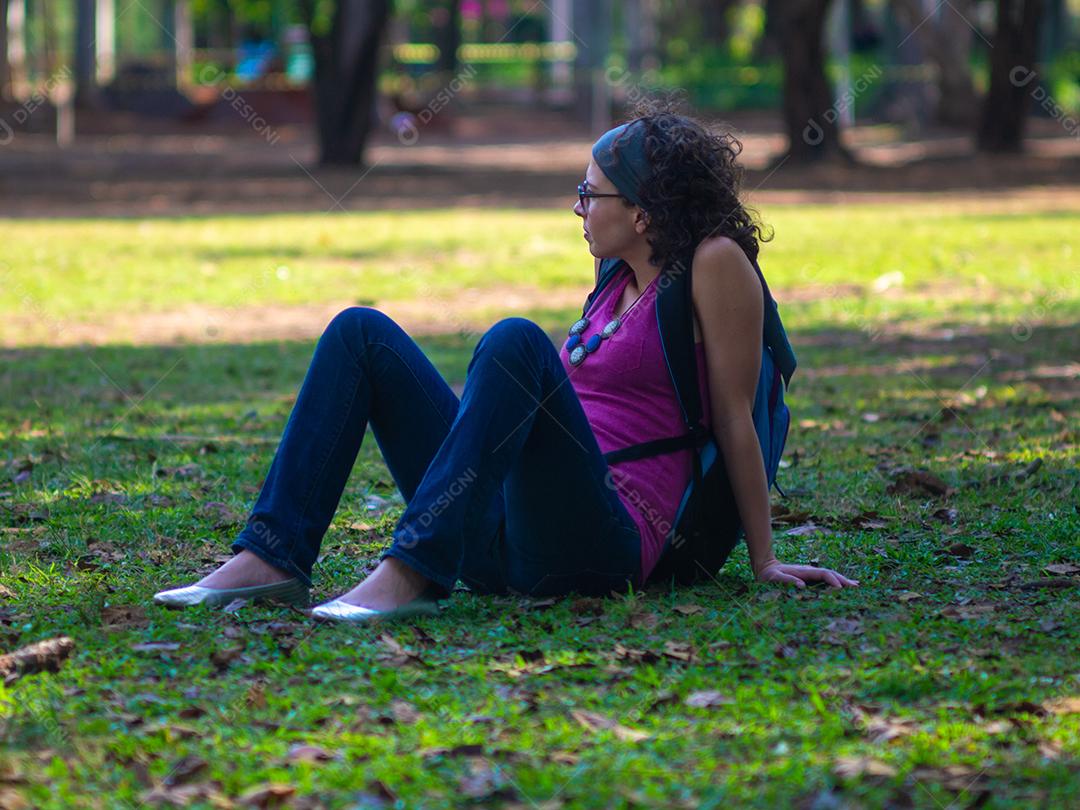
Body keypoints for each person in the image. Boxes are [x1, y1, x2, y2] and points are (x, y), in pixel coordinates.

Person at [154, 108, 858, 622]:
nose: (578, 208)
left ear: (643, 210)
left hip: (610, 540)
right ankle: (274, 558)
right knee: (360, 333)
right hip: (507, 535)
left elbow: (735, 417)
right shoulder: (615, 277)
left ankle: (414, 570)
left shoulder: (714, 265)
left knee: (516, 342)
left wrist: (764, 560)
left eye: (591, 193)